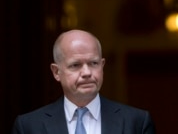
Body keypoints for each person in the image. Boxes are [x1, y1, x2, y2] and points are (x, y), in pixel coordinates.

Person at [11, 29, 156, 134]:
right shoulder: (28, 126)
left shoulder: (137, 123)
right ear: (56, 72)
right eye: (75, 65)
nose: (87, 73)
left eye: (94, 63)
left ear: (102, 65)